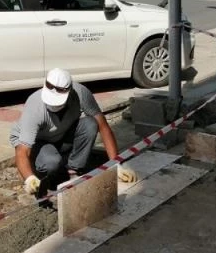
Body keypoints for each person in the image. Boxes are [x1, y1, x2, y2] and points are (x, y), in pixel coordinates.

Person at [10, 68, 138, 198]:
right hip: (38, 142)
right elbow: (22, 150)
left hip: (60, 133)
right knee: (51, 161)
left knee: (90, 124)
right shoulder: (35, 107)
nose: (54, 106)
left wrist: (116, 164)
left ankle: (73, 171)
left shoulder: (80, 93)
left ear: (69, 91)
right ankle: (40, 171)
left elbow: (103, 127)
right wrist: (29, 178)